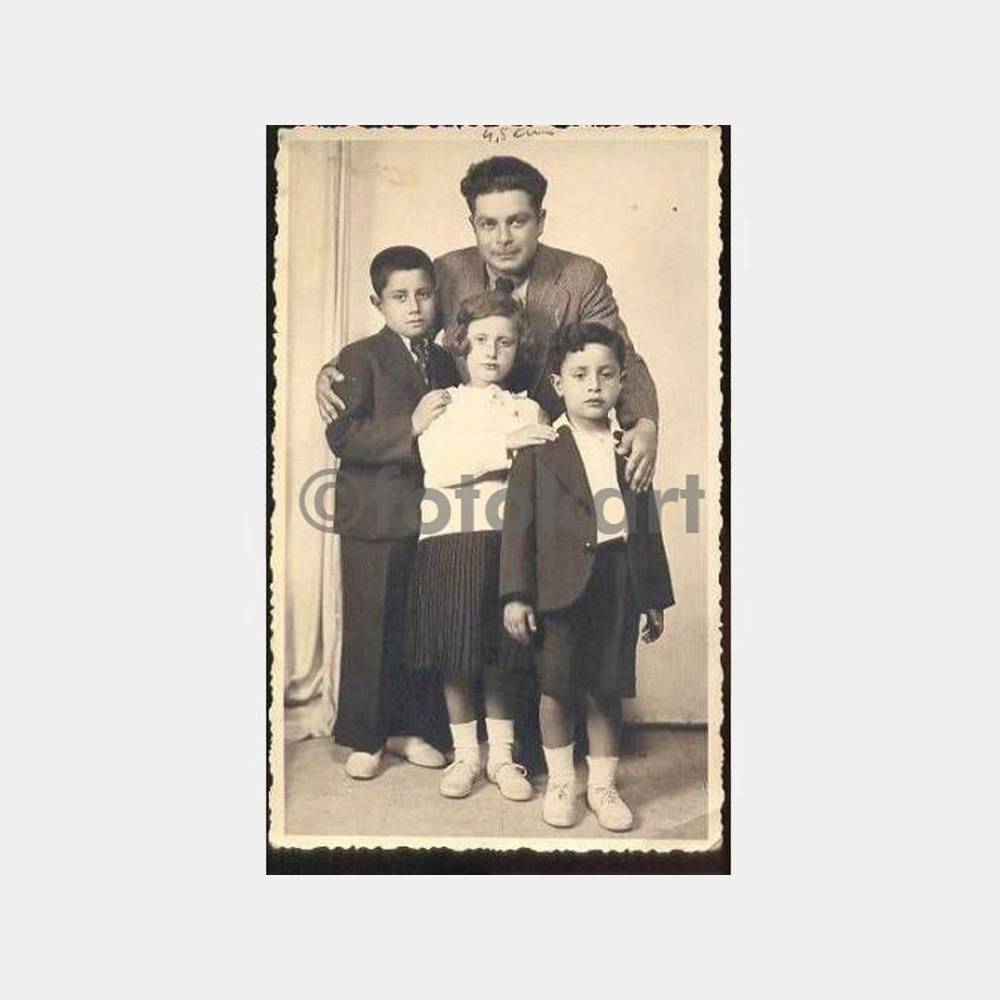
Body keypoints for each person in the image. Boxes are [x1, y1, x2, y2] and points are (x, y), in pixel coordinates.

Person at [315, 155, 661, 493]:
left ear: (540, 221)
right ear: (473, 225)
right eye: (488, 224)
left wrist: (644, 423)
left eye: (517, 222)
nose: (502, 238)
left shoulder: (581, 277)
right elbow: (402, 334)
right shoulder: (448, 272)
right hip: (468, 469)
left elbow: (621, 356)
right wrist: (336, 369)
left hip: (550, 463)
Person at [500, 322, 675, 832]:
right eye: (580, 375)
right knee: (556, 688)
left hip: (617, 581)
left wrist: (652, 595)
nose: (594, 386)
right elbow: (518, 528)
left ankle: (602, 785)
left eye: (605, 374)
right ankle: (561, 782)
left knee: (606, 689)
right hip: (558, 587)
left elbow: (646, 525)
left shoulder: (630, 448)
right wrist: (516, 595)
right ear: (558, 384)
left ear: (621, 382)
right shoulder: (539, 450)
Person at [407, 290, 557, 801]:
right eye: (482, 340)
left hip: (507, 543)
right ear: (461, 343)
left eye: (505, 342)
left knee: (501, 654)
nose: (492, 351)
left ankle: (502, 757)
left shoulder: (528, 408)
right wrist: (508, 446)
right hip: (450, 538)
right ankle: (466, 754)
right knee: (457, 653)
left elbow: (538, 477)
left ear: (518, 348)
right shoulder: (443, 403)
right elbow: (442, 468)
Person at [325, 245, 459, 780]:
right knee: (372, 626)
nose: (414, 306)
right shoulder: (359, 356)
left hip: (431, 514)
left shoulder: (445, 360)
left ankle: (410, 730)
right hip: (373, 517)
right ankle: (367, 737)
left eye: (423, 294)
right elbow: (342, 435)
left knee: (419, 625)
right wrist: (411, 426)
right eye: (400, 296)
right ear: (376, 302)